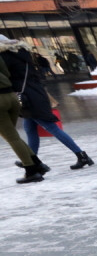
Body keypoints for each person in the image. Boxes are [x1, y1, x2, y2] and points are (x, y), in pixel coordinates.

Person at [0, 35, 94, 175]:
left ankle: (81, 155)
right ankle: (34, 159)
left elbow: (6, 75)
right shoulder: (22, 52)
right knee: (29, 128)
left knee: (51, 127)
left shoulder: (6, 56)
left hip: (26, 96)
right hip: (34, 91)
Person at [0, 51, 45, 184]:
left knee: (11, 137)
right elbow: (6, 72)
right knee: (14, 136)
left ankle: (31, 171)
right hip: (11, 97)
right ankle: (37, 163)